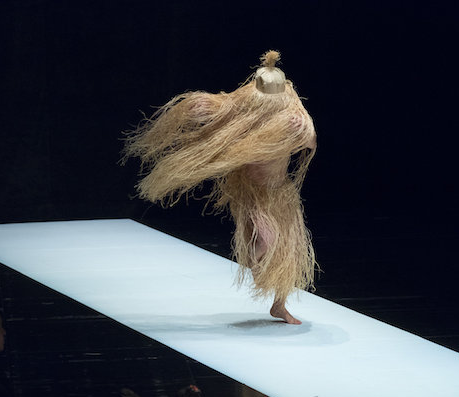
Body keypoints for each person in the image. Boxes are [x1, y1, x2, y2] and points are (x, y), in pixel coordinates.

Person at [123, 51, 318, 324]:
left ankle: (279, 305)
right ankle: (256, 265)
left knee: (291, 254)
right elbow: (222, 106)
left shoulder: (292, 110)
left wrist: (304, 131)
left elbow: (311, 143)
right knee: (266, 241)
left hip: (279, 191)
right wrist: (201, 107)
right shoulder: (248, 100)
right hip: (252, 189)